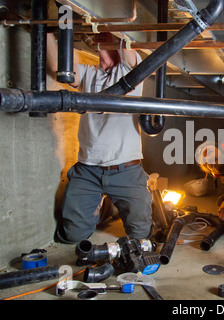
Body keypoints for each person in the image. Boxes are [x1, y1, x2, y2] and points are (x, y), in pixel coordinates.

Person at [47, 32, 153, 243]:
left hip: (126, 171)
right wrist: (49, 30)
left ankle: (112, 203)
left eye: (105, 36)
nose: (100, 39)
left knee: (141, 238)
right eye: (97, 37)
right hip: (87, 171)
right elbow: (60, 68)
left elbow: (124, 40)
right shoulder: (88, 74)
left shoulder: (130, 70)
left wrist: (107, 25)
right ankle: (104, 206)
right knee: (72, 236)